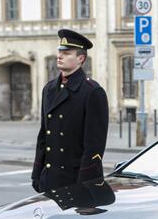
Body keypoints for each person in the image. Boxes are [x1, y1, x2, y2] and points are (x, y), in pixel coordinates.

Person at [32, 29, 109, 193]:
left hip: (75, 179)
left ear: (80, 58)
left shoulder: (92, 91)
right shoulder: (49, 89)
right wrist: (37, 173)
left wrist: (86, 182)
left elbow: (94, 146)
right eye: (60, 51)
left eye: (67, 53)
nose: (60, 56)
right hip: (50, 177)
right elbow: (44, 135)